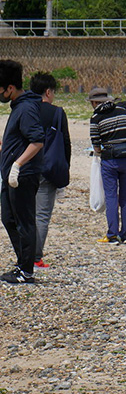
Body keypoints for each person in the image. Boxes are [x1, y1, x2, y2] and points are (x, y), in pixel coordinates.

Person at [0, 60, 44, 284]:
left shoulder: (26, 108)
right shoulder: (18, 106)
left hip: (22, 176)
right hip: (10, 175)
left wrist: (17, 166)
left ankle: (26, 270)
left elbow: (37, 141)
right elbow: (20, 140)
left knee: (24, 221)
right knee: (8, 218)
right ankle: (22, 262)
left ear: (10, 88)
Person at [29, 72, 71, 269]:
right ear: (48, 92)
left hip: (25, 166)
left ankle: (23, 254)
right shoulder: (57, 112)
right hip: (48, 168)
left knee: (26, 213)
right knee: (42, 215)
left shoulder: (26, 110)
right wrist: (64, 171)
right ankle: (35, 257)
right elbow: (65, 143)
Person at [88, 87, 126, 244]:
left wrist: (100, 150)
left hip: (110, 159)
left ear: (96, 102)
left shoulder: (96, 117)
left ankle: (112, 234)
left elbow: (96, 144)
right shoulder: (123, 111)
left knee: (111, 196)